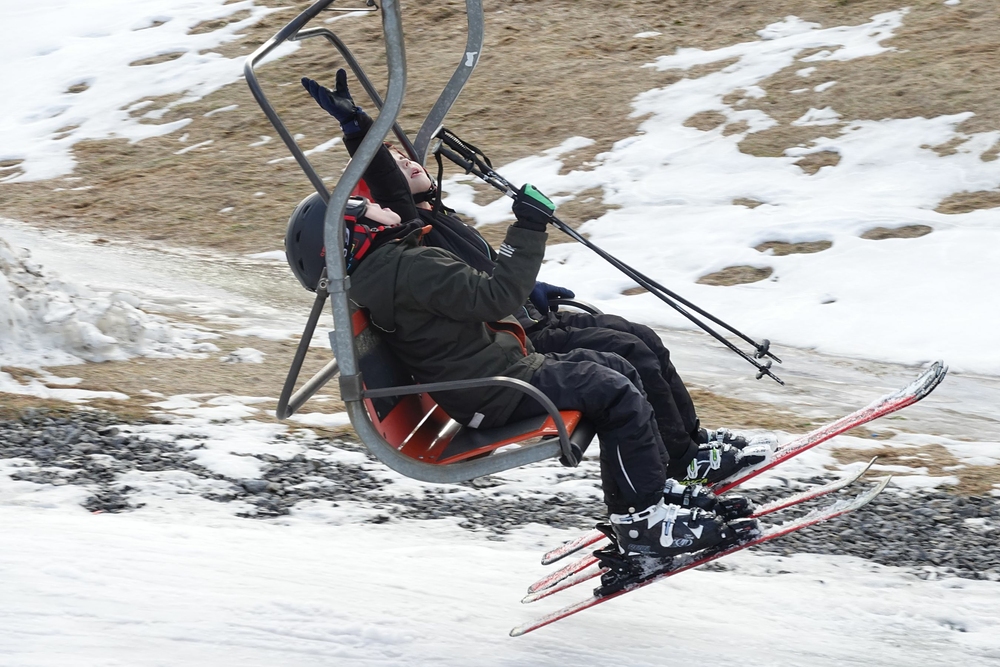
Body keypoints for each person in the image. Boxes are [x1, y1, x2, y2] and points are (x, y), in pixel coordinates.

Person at [301, 70, 773, 485]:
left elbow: (475, 283)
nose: (406, 160)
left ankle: (688, 449)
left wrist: (361, 127)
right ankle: (679, 466)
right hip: (504, 353)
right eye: (391, 166)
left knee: (638, 339)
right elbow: (472, 285)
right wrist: (359, 134)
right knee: (626, 356)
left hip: (504, 337)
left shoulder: (419, 231)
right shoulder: (410, 243)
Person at [285, 177, 759, 557]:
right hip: (498, 387)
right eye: (366, 206)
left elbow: (397, 199)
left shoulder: (390, 268)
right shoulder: (407, 268)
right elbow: (496, 296)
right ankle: (642, 524)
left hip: (492, 376)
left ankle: (653, 494)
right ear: (355, 232)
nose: (381, 204)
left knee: (616, 365)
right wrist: (528, 229)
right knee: (613, 389)